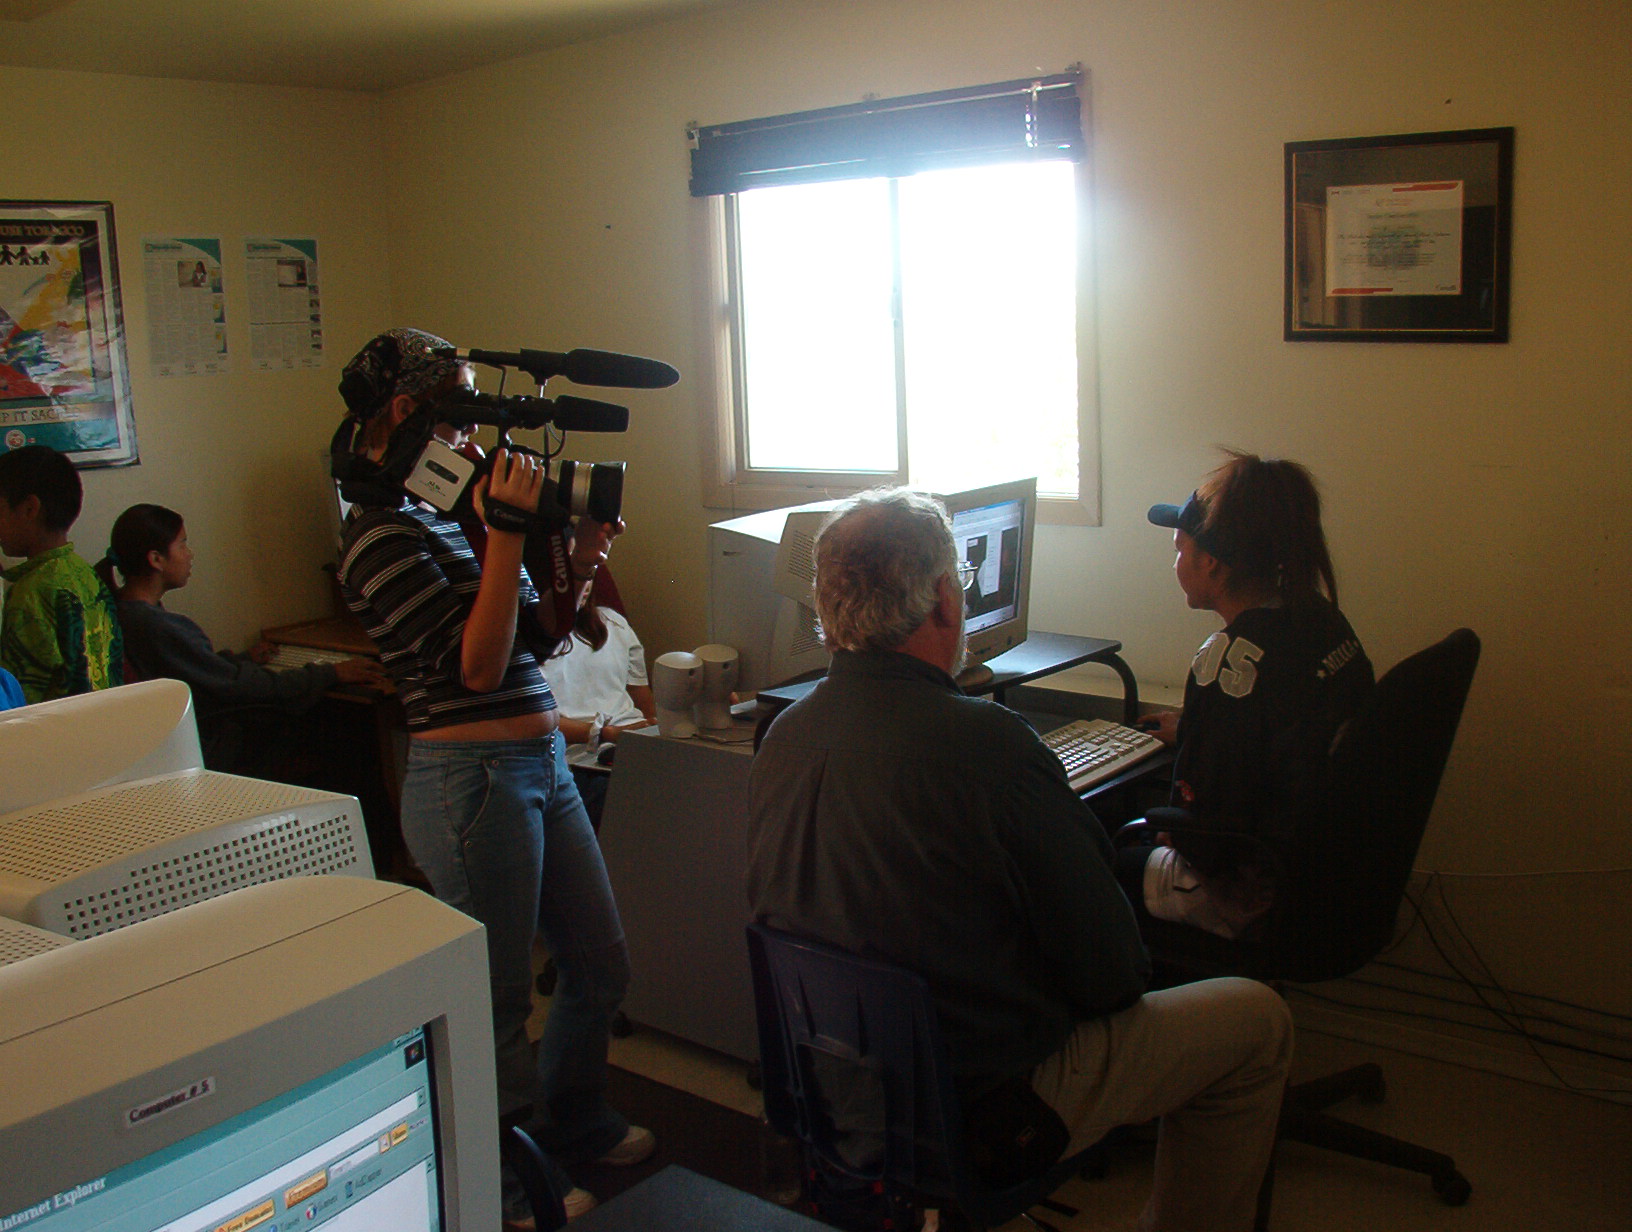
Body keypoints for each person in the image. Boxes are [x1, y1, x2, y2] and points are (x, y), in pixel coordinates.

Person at [746, 487, 1292, 1232]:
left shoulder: (781, 738)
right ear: (945, 598)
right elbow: (1115, 974)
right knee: (1259, 1024)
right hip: (983, 1119)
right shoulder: (992, 747)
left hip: (836, 1103)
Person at [331, 328, 650, 1226]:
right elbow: (472, 671)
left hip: (538, 762)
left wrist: (581, 552)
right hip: (468, 780)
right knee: (497, 1002)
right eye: (462, 421)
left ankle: (575, 1121)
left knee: (599, 964)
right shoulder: (375, 538)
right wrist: (507, 526)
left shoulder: (439, 518)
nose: (474, 446)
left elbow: (527, 642)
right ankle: (505, 1185)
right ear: (406, 415)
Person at [1132, 450, 1374, 940]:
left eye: (1180, 549)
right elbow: (1287, 727)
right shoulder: (1319, 618)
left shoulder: (1225, 662)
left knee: (1098, 854)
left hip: (1249, 890)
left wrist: (1176, 833)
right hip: (1322, 865)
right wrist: (1202, 728)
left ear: (1214, 565)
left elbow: (1204, 832)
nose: (1176, 561)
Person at [97, 503, 384, 773]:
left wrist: (244, 659)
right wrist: (330, 672)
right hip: (219, 744)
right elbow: (241, 687)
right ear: (156, 559)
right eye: (182, 544)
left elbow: (198, 671)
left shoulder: (124, 612)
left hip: (194, 738)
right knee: (349, 722)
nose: (190, 553)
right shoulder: (156, 626)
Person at [0, 444, 123, 703]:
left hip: (58, 735)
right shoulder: (85, 574)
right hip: (106, 721)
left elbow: (16, 700)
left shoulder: (31, 593)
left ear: (29, 509)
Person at [541, 571, 656, 822]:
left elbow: (642, 699)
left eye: (588, 573)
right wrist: (602, 733)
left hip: (630, 744)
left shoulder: (612, 621)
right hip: (580, 757)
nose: (584, 582)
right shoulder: (522, 639)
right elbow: (532, 719)